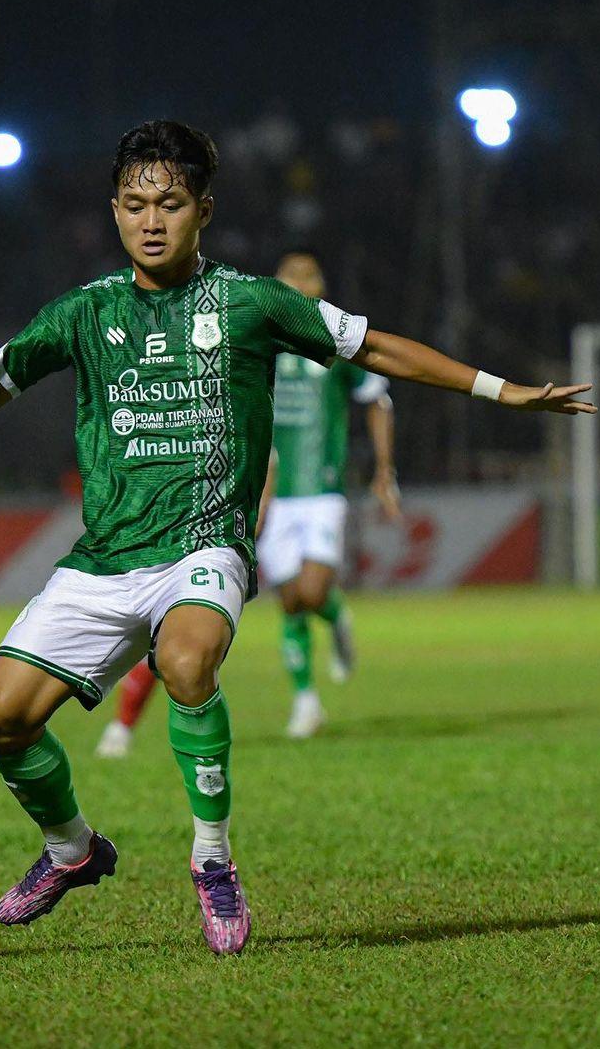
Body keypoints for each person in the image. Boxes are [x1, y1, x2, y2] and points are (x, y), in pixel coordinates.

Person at [0, 120, 593, 955]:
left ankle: (213, 859)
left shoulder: (249, 302)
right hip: (105, 557)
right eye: (134, 204)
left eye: (170, 203)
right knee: (0, 720)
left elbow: (376, 345)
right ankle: (72, 850)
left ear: (203, 211)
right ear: (114, 211)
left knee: (185, 661)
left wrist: (505, 392)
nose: (151, 219)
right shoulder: (84, 313)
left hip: (206, 545)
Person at [95, 248, 401, 753]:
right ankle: (306, 701)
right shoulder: (259, 345)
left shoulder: (332, 346)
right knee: (289, 599)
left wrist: (384, 471)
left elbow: (378, 395)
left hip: (322, 489)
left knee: (311, 588)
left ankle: (335, 614)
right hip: (269, 493)